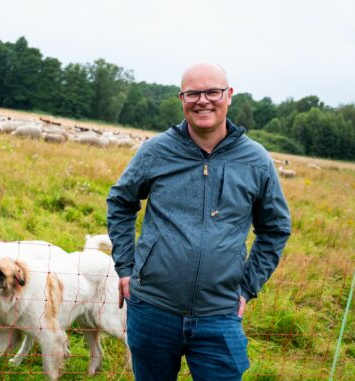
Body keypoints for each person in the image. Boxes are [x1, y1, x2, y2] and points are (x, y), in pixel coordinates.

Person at [107, 62, 291, 380]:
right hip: (152, 308)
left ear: (229, 95)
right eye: (193, 93)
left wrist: (247, 286)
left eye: (212, 92)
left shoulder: (255, 160)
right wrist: (126, 266)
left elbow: (275, 228)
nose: (203, 100)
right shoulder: (156, 151)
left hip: (219, 314)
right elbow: (121, 202)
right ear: (182, 98)